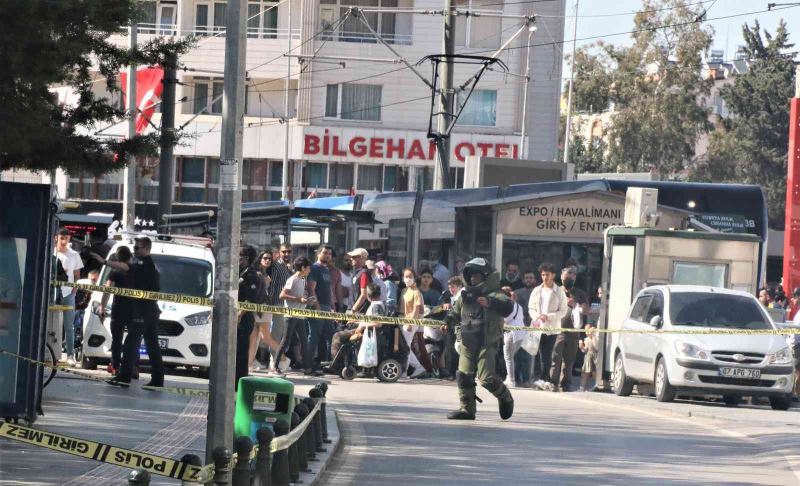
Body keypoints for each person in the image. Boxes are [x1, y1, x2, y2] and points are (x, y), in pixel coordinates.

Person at [443, 258, 514, 420]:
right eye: (471, 276)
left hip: (487, 342)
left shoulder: (497, 294)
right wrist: (447, 322)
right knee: (464, 375)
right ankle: (467, 409)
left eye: (477, 276)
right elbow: (454, 312)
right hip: (467, 341)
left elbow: (507, 307)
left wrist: (490, 302)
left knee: (487, 379)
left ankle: (505, 397)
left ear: (486, 277)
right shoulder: (464, 295)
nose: (473, 279)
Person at [101, 237, 164, 388]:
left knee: (130, 344)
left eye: (137, 248)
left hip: (143, 311)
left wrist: (105, 262)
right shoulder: (151, 264)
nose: (134, 251)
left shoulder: (145, 264)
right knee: (152, 345)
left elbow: (126, 267)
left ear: (146, 249)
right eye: (134, 248)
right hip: (150, 310)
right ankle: (157, 379)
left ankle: (124, 376)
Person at [528, 262, 568, 386]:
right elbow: (531, 308)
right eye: (543, 275)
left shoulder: (559, 291)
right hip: (538, 326)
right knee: (537, 352)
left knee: (547, 353)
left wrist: (549, 317)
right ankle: (542, 377)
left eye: (547, 274)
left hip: (552, 327)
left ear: (553, 275)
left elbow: (563, 310)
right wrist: (537, 317)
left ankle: (544, 378)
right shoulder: (536, 290)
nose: (545, 277)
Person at [549, 266, 588, 391]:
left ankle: (565, 384)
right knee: (555, 358)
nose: (570, 276)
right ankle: (552, 383)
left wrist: (575, 304)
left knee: (569, 361)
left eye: (573, 274)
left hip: (573, 332)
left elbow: (587, 310)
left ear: (575, 278)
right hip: (558, 330)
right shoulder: (555, 292)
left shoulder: (580, 293)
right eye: (568, 274)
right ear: (561, 276)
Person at [98, 246, 134, 375]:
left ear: (117, 258)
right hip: (134, 310)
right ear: (130, 256)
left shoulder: (114, 272)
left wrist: (102, 307)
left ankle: (115, 367)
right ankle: (132, 367)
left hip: (118, 309)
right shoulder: (136, 271)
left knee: (117, 339)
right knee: (133, 339)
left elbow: (107, 291)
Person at [330, 283, 386, 359]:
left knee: (337, 336)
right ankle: (341, 360)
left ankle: (336, 362)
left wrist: (362, 325)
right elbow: (371, 320)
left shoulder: (376, 306)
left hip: (366, 332)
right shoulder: (378, 304)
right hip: (364, 330)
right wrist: (356, 321)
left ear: (368, 295)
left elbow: (378, 323)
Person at [277, 256, 314, 372]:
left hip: (300, 315)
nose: (309, 270)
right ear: (303, 268)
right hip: (290, 315)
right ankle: (275, 365)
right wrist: (299, 299)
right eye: (308, 268)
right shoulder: (292, 279)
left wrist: (307, 300)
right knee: (286, 341)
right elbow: (282, 295)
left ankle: (308, 367)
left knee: (304, 341)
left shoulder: (303, 280)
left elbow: (301, 297)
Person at [54, 228, 84, 366]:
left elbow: (77, 276)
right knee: (49, 322)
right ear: (56, 238)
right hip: (52, 292)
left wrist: (74, 291)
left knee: (69, 326)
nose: (63, 241)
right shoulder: (51, 252)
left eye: (66, 238)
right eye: (61, 238)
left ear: (69, 239)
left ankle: (70, 355)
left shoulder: (74, 255)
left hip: (68, 293)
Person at [249, 250, 282, 372]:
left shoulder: (265, 274)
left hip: (264, 307)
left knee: (265, 337)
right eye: (265, 258)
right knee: (253, 338)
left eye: (269, 259)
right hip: (256, 307)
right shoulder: (256, 273)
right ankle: (249, 364)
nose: (268, 260)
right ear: (260, 259)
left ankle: (283, 358)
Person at [261, 248, 292, 374]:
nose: (269, 259)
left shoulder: (275, 268)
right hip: (277, 305)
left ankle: (276, 361)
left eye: (270, 256)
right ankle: (272, 361)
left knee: (274, 335)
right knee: (270, 335)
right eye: (266, 257)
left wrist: (269, 303)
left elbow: (273, 288)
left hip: (276, 305)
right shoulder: (279, 266)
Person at [236, 245, 263, 388]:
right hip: (236, 317)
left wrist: (239, 315)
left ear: (246, 258)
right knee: (234, 352)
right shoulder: (240, 272)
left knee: (241, 353)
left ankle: (239, 383)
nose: (236, 257)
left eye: (239, 255)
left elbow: (250, 299)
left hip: (243, 319)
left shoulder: (251, 275)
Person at [400, 267, 434, 377]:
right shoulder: (404, 291)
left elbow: (417, 309)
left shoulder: (416, 292)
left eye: (410, 277)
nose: (408, 279)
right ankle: (416, 367)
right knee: (407, 346)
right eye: (406, 277)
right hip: (403, 320)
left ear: (415, 278)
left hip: (412, 322)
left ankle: (407, 370)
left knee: (405, 346)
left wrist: (411, 323)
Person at [306, 245, 334, 376]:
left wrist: (332, 307)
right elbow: (311, 288)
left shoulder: (326, 270)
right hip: (317, 307)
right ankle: (308, 366)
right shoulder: (315, 268)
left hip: (327, 307)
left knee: (330, 336)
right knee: (314, 337)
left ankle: (326, 364)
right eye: (325, 253)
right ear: (318, 253)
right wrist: (317, 307)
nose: (327, 255)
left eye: (329, 253)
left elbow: (329, 290)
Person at [438, 276, 464, 380]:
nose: (451, 289)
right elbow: (441, 305)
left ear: (459, 286)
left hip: (459, 326)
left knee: (459, 348)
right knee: (449, 349)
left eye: (453, 287)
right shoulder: (447, 295)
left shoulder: (462, 296)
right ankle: (450, 373)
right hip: (450, 326)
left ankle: (460, 371)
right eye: (449, 287)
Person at [501, 287, 526, 388]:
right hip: (520, 334)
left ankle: (511, 380)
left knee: (508, 357)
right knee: (511, 357)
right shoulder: (518, 306)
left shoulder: (508, 306)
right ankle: (509, 377)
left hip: (511, 333)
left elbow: (505, 320)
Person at [348, 248, 371, 313]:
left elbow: (364, 295)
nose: (351, 259)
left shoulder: (364, 273)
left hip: (359, 312)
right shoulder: (358, 272)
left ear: (362, 258)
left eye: (354, 257)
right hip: (354, 309)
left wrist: (353, 310)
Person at [579, 324, 598, 392]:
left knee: (594, 372)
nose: (586, 332)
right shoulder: (586, 339)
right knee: (585, 372)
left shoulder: (595, 337)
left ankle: (595, 386)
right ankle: (583, 387)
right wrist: (582, 347)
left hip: (594, 356)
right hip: (588, 355)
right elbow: (585, 350)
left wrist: (593, 336)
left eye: (588, 329)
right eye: (585, 330)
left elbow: (596, 347)